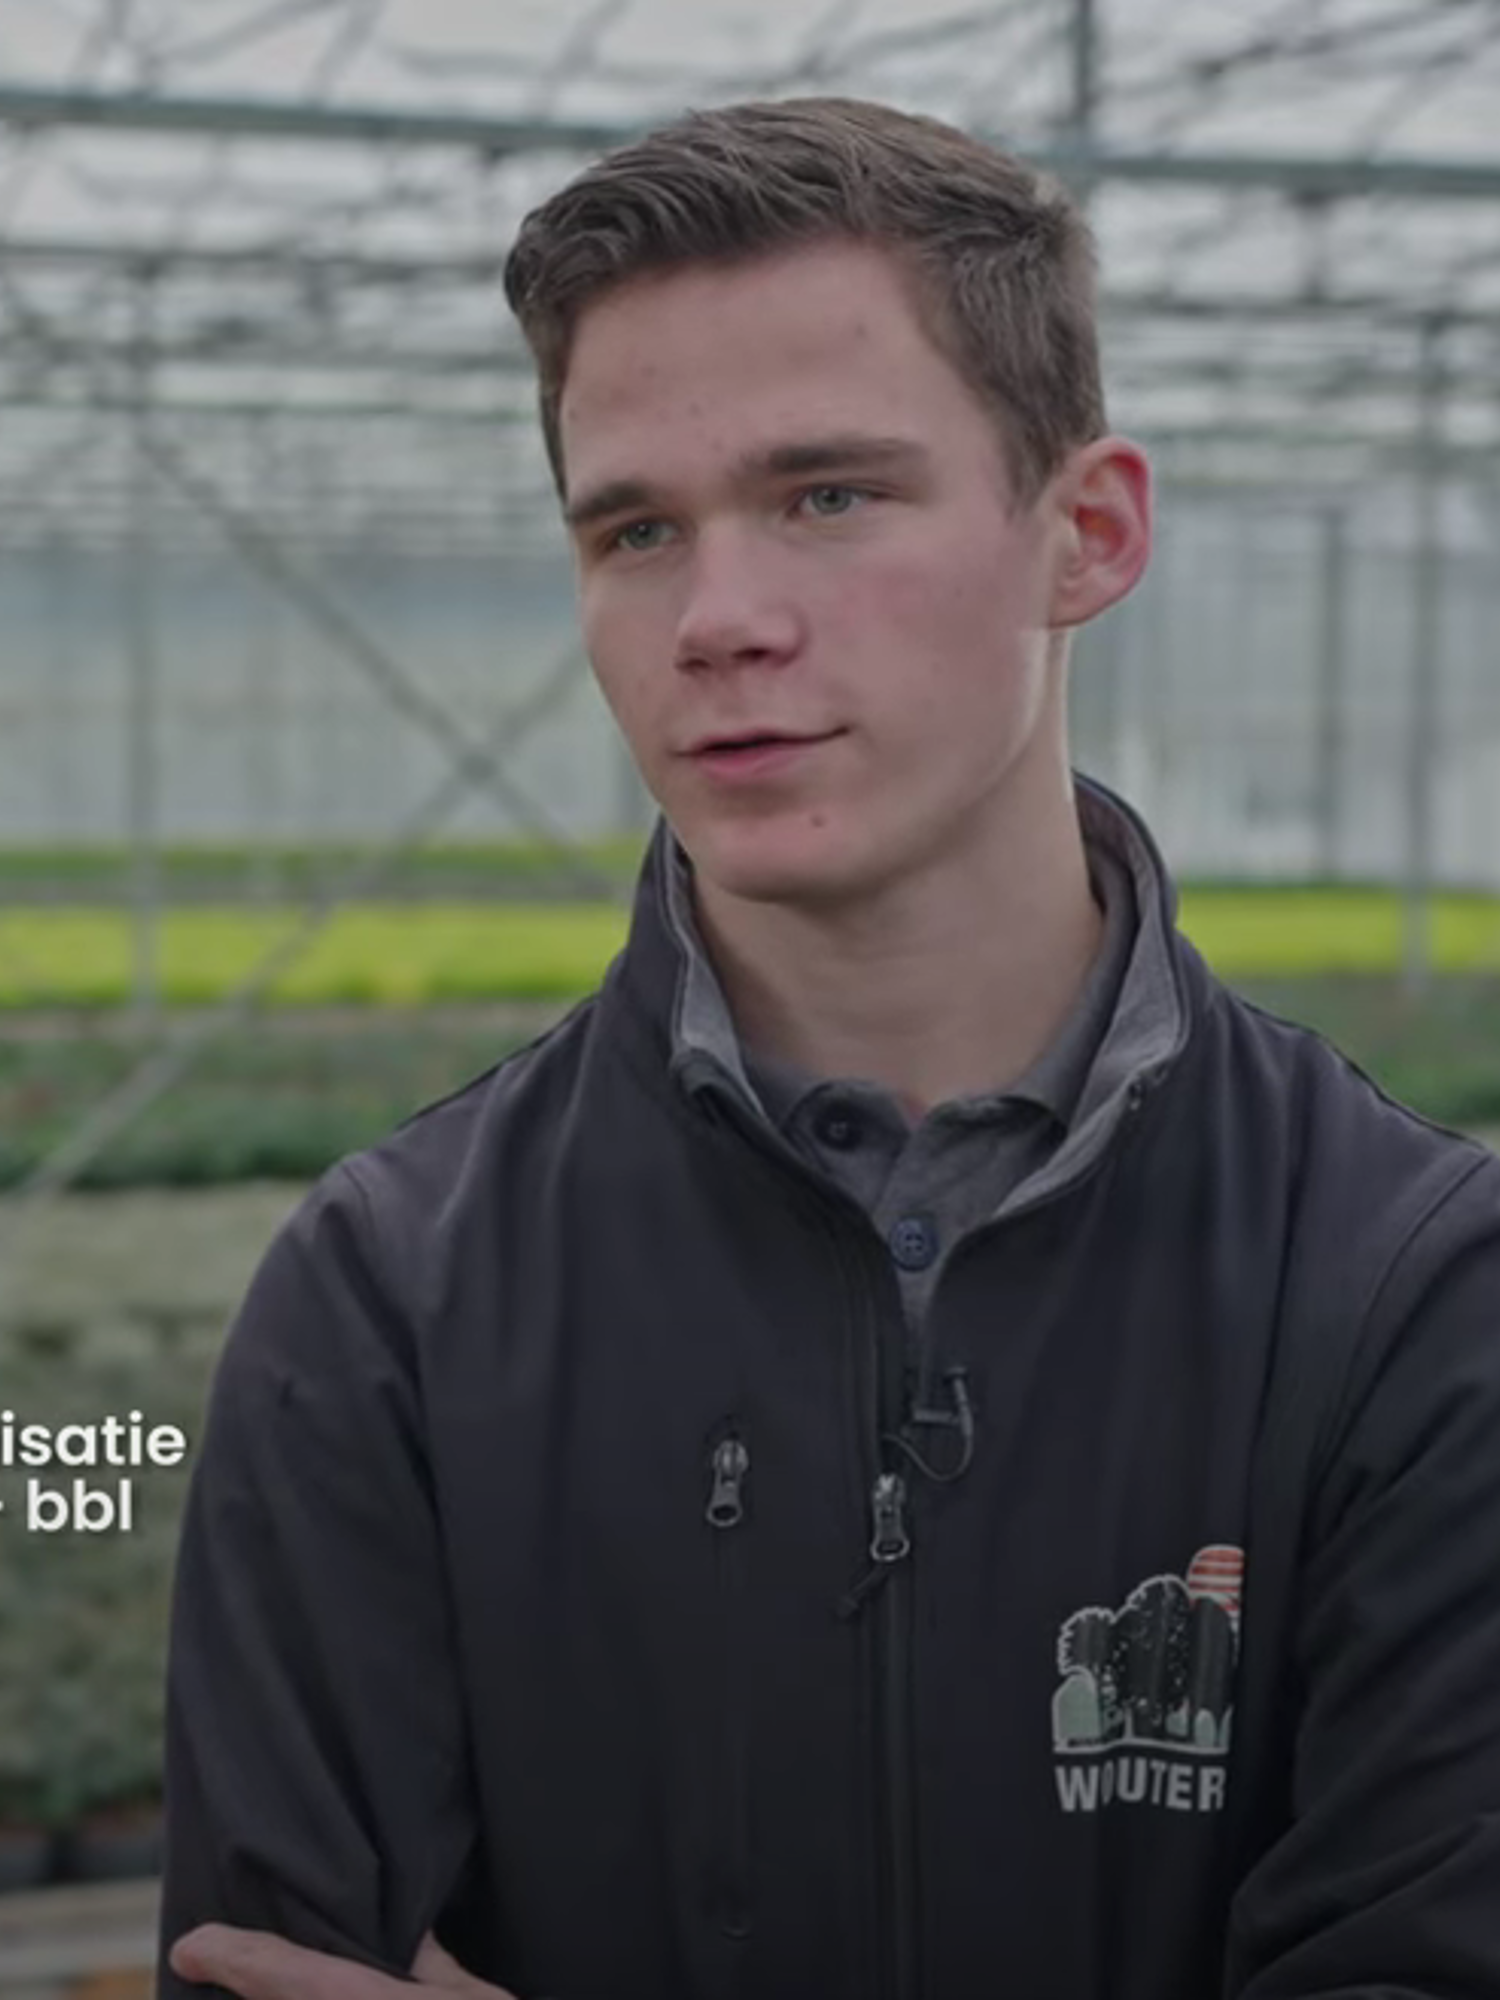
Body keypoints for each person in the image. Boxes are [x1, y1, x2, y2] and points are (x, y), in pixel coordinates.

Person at [160, 97, 1500, 2000]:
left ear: (1088, 533)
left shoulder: (1413, 1294)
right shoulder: (389, 1302)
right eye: (637, 529)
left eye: (830, 497)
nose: (719, 620)